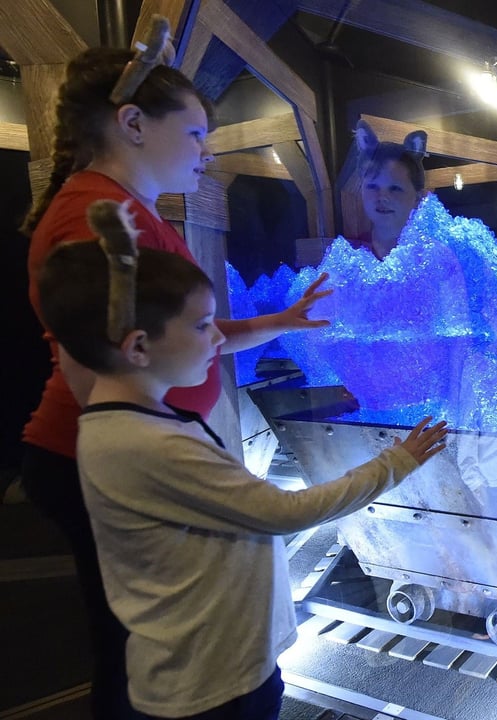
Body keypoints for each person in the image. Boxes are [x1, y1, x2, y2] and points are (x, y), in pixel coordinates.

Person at [20, 37, 330, 719]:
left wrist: (283, 321)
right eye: (193, 132)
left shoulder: (124, 210)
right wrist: (164, 462)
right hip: (118, 465)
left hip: (141, 457)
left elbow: (173, 338)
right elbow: (91, 362)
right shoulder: (96, 218)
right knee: (145, 662)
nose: (205, 151)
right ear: (132, 124)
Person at [38, 217, 449, 720]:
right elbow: (284, 511)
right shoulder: (150, 444)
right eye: (200, 325)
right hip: (214, 688)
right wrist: (396, 462)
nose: (218, 338)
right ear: (138, 347)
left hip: (201, 671)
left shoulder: (119, 417)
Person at [349, 119, 428, 259]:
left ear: (417, 197)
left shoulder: (433, 256)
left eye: (395, 188)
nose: (382, 197)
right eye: (372, 186)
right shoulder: (349, 255)